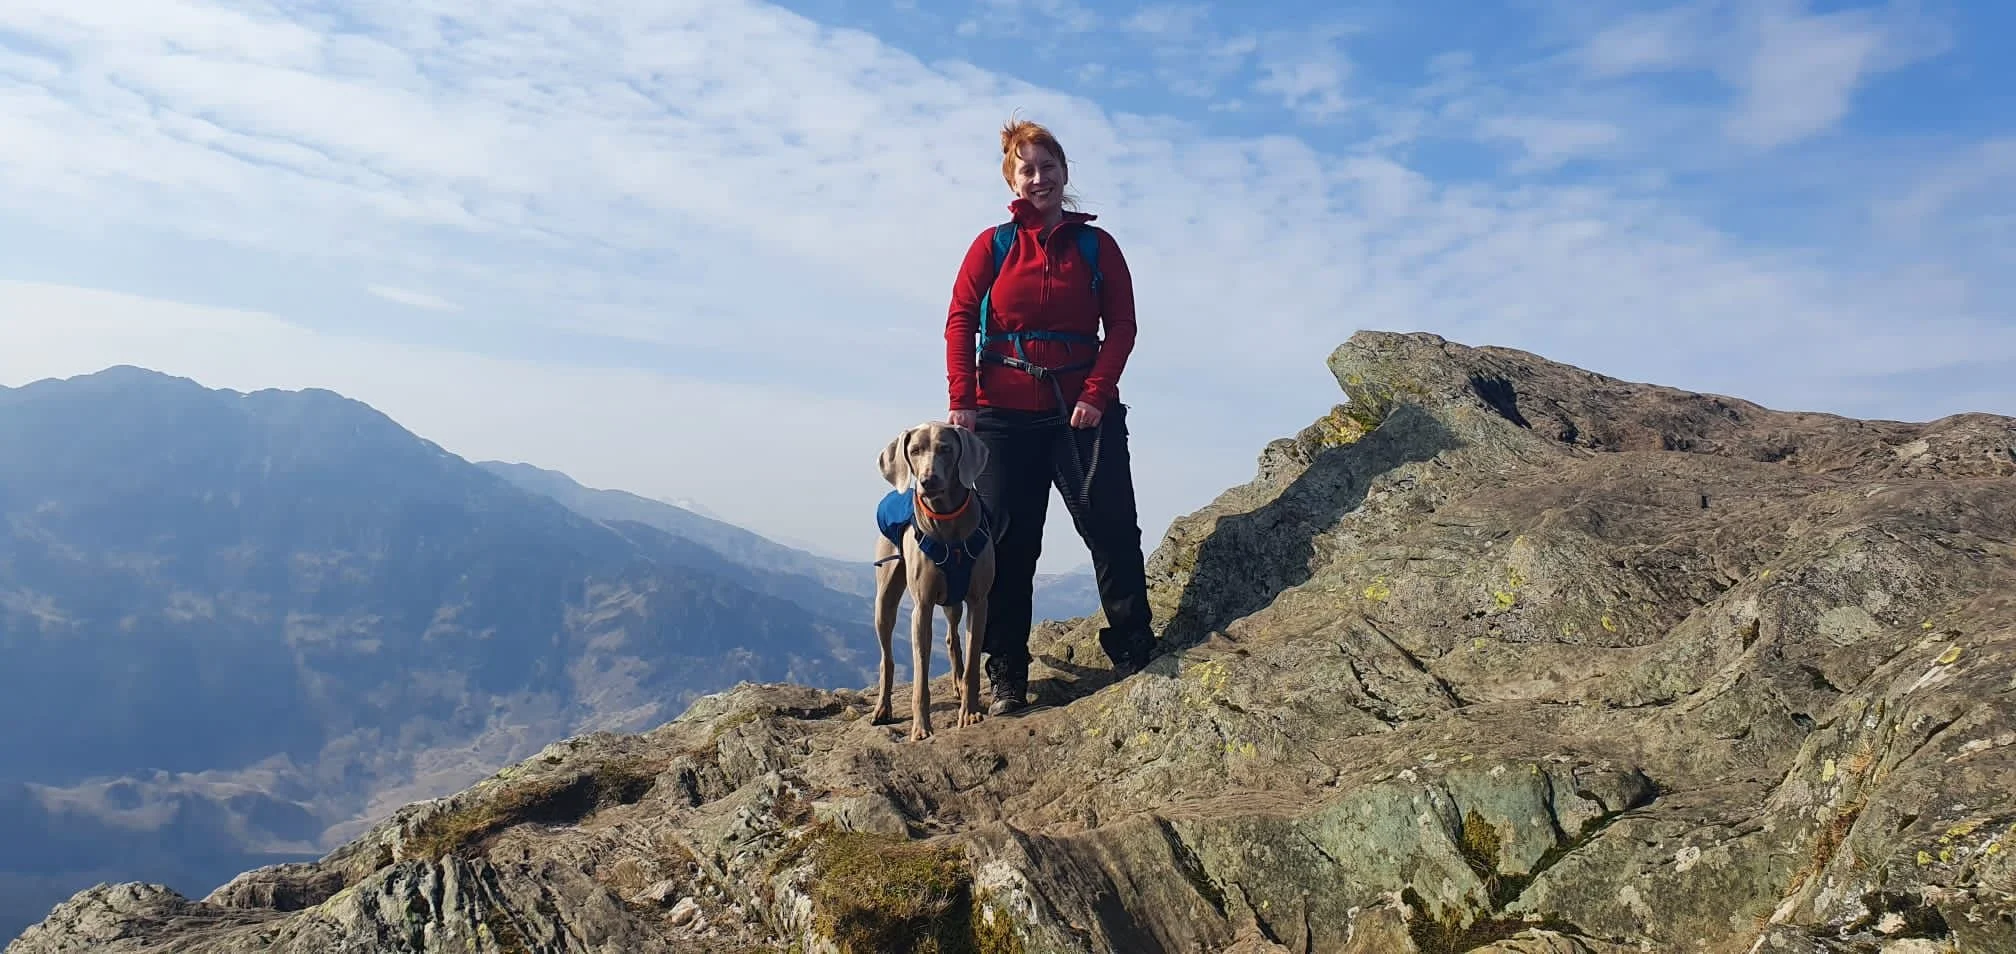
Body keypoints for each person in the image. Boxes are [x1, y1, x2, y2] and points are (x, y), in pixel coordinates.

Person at [942, 117, 1157, 715]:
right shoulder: (992, 245)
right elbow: (961, 318)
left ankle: (1134, 649)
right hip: (1000, 416)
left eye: (1048, 167)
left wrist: (1096, 393)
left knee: (1113, 530)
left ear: (1064, 173)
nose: (1039, 178)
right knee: (1011, 545)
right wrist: (963, 399)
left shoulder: (1097, 246)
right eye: (1026, 169)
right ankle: (1007, 670)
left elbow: (1123, 327)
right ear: (1012, 180)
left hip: (1083, 413)